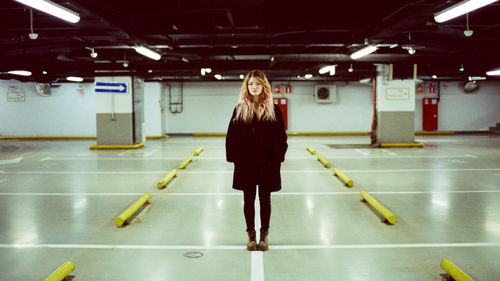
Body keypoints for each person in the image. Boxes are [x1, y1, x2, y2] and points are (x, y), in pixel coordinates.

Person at [225, 70, 288, 251]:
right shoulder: (239, 109)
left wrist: (278, 158)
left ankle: (264, 236)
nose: (254, 87)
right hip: (246, 163)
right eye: (251, 84)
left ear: (264, 86)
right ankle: (251, 235)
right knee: (248, 200)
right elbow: (231, 136)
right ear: (247, 86)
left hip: (267, 163)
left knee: (265, 199)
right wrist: (234, 158)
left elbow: (281, 137)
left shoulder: (273, 109)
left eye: (257, 84)